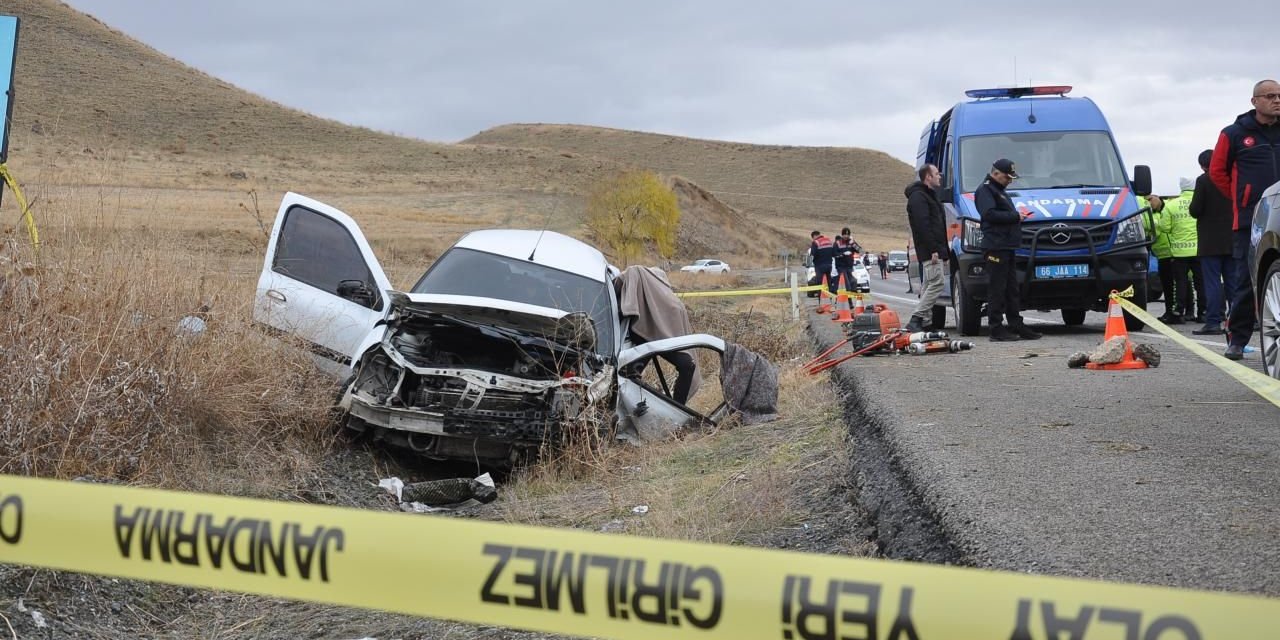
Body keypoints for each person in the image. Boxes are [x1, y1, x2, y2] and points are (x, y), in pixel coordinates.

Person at [1209, 79, 1280, 360]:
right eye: (1270, 96)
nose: (1276, 100)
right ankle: (1236, 339)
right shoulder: (1235, 134)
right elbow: (1217, 173)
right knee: (1243, 283)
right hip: (1252, 219)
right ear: (1254, 101)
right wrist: (1244, 200)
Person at [975, 159, 1040, 341]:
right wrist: (1015, 216)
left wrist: (1017, 216)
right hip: (995, 246)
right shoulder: (985, 190)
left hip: (1007, 246)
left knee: (1012, 289)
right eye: (1007, 177)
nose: (1009, 181)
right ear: (995, 173)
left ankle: (1016, 324)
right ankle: (996, 329)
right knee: (997, 289)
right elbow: (988, 214)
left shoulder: (999, 191)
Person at [615, 266, 700, 404]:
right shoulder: (662, 301)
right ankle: (677, 410)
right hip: (643, 339)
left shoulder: (658, 302)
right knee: (627, 376)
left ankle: (677, 410)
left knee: (687, 366)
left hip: (649, 339)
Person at [1189, 149, 1234, 335]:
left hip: (1210, 242)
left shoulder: (1204, 180)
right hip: (1232, 239)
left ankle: (1213, 321)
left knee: (1213, 283)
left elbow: (1195, 209)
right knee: (1233, 282)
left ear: (1202, 165)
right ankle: (1238, 321)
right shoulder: (1232, 178)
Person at [904, 163, 949, 332]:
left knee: (929, 284)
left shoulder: (929, 195)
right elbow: (923, 226)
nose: (940, 176)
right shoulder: (919, 198)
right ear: (928, 177)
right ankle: (917, 318)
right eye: (936, 174)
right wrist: (933, 250)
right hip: (930, 250)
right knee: (937, 283)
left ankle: (926, 323)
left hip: (934, 248)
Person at [1161, 178, 1203, 325]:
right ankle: (1203, 312)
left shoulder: (1171, 205)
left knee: (1180, 282)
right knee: (1201, 282)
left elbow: (1164, 227)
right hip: (1199, 249)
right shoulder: (1201, 201)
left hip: (1179, 252)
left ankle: (1179, 310)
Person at [833, 227, 860, 292]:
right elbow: (834, 254)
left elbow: (859, 250)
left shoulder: (851, 242)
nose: (846, 236)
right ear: (842, 235)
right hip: (841, 266)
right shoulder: (837, 243)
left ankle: (850, 296)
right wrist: (843, 254)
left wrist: (853, 244)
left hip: (849, 266)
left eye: (848, 234)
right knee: (846, 283)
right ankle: (848, 298)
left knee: (853, 281)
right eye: (845, 234)